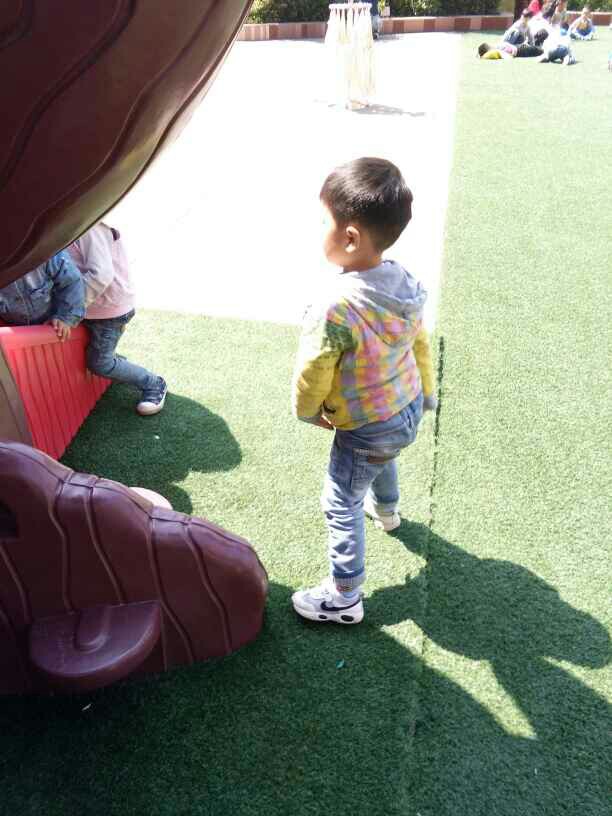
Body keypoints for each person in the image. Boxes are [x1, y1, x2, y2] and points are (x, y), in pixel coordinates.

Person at [290, 157, 436, 625]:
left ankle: (344, 596)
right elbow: (419, 341)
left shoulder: (335, 306)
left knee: (340, 499)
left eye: (325, 222)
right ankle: (388, 512)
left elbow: (314, 369)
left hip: (367, 425)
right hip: (406, 407)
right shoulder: (404, 282)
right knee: (381, 458)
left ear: (350, 237)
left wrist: (306, 411)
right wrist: (427, 392)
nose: (320, 231)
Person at [68, 224, 167, 416]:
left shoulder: (89, 228)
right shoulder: (69, 225)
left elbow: (101, 275)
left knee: (100, 363)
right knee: (98, 350)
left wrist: (72, 309)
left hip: (107, 311)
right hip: (92, 307)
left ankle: (154, 383)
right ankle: (114, 360)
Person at [0, 251, 84, 340]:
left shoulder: (45, 251)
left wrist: (65, 317)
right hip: (14, 331)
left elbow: (71, 281)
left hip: (52, 325)